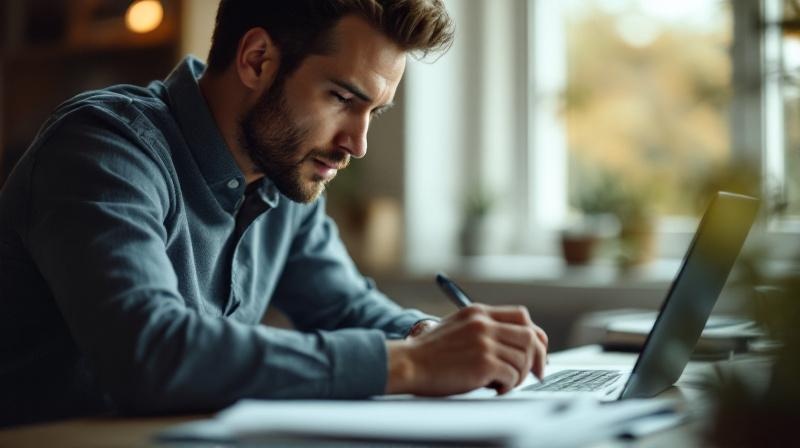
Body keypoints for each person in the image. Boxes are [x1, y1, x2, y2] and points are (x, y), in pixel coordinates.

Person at [0, 0, 548, 426]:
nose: (357, 144)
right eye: (341, 98)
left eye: (374, 112)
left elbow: (342, 306)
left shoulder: (283, 167)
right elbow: (150, 354)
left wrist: (432, 335)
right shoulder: (105, 148)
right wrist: (414, 364)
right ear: (257, 59)